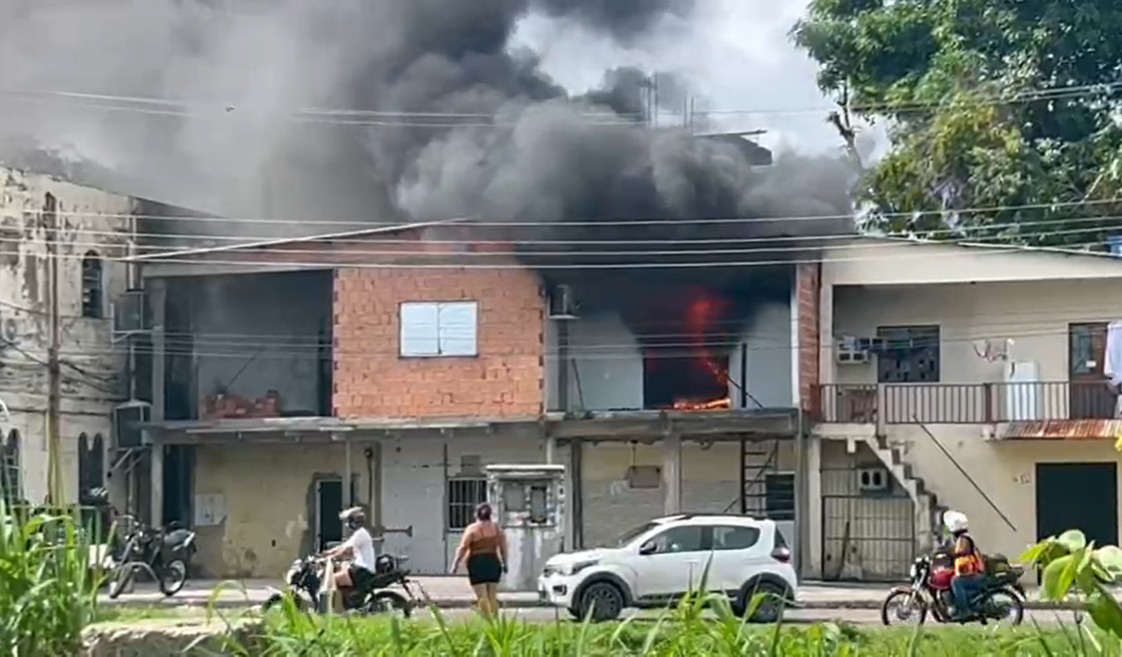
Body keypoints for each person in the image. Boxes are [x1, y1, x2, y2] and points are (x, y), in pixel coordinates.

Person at [450, 503, 507, 617]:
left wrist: (455, 564)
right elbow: (503, 548)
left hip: (477, 563)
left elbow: (463, 547)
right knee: (492, 596)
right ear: (490, 514)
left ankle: (487, 622)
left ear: (476, 514)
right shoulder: (497, 529)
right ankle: (496, 622)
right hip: (493, 561)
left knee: (482, 596)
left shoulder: (473, 529)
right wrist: (505, 563)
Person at [322, 506, 377, 609]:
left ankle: (337, 606)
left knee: (334, 578)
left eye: (349, 522)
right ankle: (349, 600)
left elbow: (346, 550)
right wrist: (327, 553)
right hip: (361, 568)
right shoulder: (359, 533)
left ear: (354, 522)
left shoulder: (360, 534)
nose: (348, 525)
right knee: (340, 572)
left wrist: (333, 557)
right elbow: (343, 546)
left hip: (362, 569)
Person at [943, 510, 985, 621]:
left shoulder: (964, 538)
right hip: (968, 572)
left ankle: (965, 611)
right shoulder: (961, 538)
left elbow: (962, 551)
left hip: (973, 574)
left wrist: (949, 554)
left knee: (956, 582)